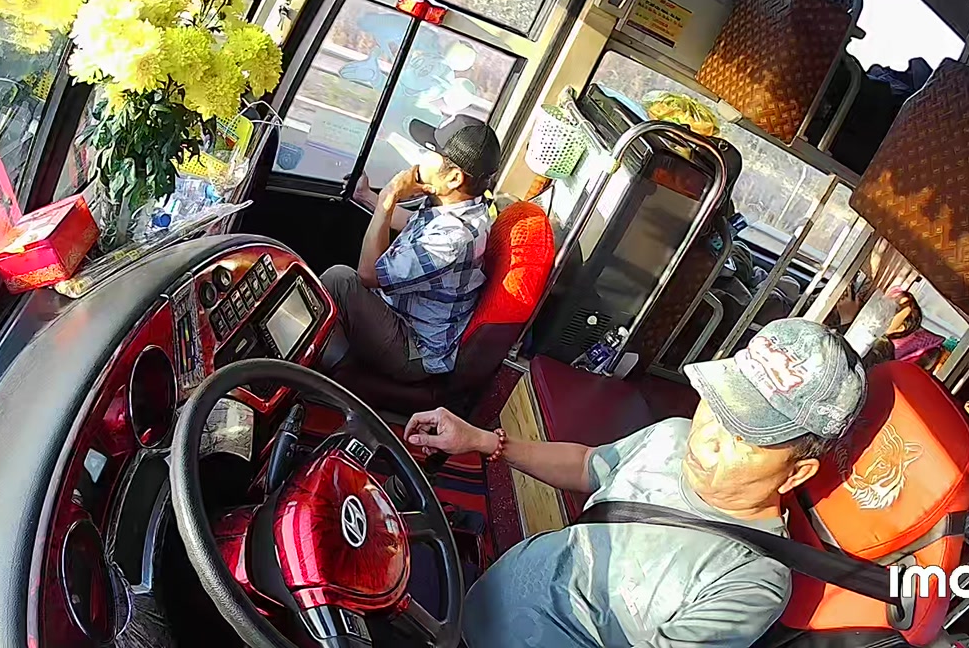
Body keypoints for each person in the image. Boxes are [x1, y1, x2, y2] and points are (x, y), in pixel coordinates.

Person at [403, 318, 867, 647]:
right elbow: (588, 465)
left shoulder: (750, 580)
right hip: (469, 600)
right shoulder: (673, 435)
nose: (707, 437)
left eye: (744, 435)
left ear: (797, 472)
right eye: (717, 406)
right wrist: (483, 441)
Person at [320, 115, 501, 382]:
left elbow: (368, 275)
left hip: (414, 348)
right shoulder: (455, 205)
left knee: (340, 280)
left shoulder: (454, 237)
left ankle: (329, 374)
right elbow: (411, 223)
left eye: (430, 152)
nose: (419, 159)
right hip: (399, 314)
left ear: (454, 178)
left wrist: (389, 195)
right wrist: (367, 197)